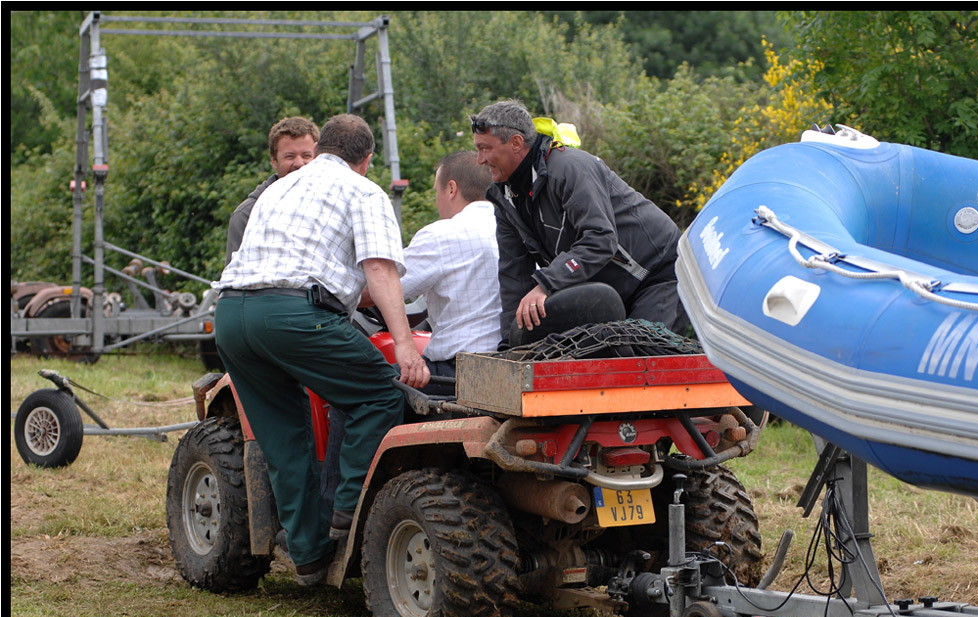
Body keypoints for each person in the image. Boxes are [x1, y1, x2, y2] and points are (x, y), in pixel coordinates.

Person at [213, 113, 430, 586]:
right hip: (292, 316)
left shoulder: (277, 189)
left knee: (284, 439)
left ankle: (309, 557)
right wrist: (408, 349)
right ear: (366, 161)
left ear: (323, 147)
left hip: (232, 316)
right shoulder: (363, 191)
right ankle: (347, 510)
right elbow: (380, 270)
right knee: (380, 393)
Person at [471, 99, 690, 347]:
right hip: (607, 289)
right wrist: (512, 345)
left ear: (516, 143)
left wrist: (547, 283)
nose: (480, 160)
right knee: (593, 358)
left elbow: (601, 240)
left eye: (485, 149)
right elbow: (514, 275)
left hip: (658, 273)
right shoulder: (505, 196)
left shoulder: (569, 168)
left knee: (641, 357)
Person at [360, 150, 501, 381]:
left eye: (437, 191)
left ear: (452, 189)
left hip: (459, 372)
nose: (437, 201)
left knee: (355, 393)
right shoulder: (515, 231)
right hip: (512, 367)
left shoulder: (441, 235)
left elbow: (377, 288)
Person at [225, 116, 320, 264]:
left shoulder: (335, 205)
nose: (299, 163)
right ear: (274, 161)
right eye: (289, 156)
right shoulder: (247, 214)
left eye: (306, 155)